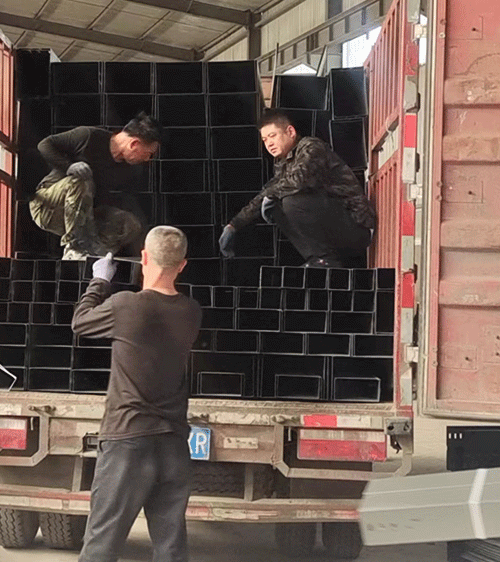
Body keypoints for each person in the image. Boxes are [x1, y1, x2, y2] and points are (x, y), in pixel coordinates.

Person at [72, 227, 202, 562]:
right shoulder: (191, 311)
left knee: (102, 545)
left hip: (127, 442)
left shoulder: (126, 306)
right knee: (171, 549)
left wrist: (100, 280)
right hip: (173, 444)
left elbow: (81, 322)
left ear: (144, 257)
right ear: (182, 265)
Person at [218, 109, 376, 268]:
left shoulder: (311, 147)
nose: (269, 144)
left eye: (273, 136)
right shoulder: (284, 164)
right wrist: (234, 225)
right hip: (338, 233)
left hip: (357, 227)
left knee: (291, 200)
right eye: (265, 140)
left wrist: (271, 195)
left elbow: (298, 181)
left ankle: (324, 258)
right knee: (276, 206)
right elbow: (266, 193)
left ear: (290, 132)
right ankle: (319, 259)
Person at [30, 113, 162, 261]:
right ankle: (75, 247)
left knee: (130, 224)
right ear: (134, 144)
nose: (147, 159)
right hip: (48, 206)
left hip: (83, 215)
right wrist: (69, 166)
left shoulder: (128, 170)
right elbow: (44, 145)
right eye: (149, 154)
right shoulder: (88, 136)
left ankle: (93, 255)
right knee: (82, 179)